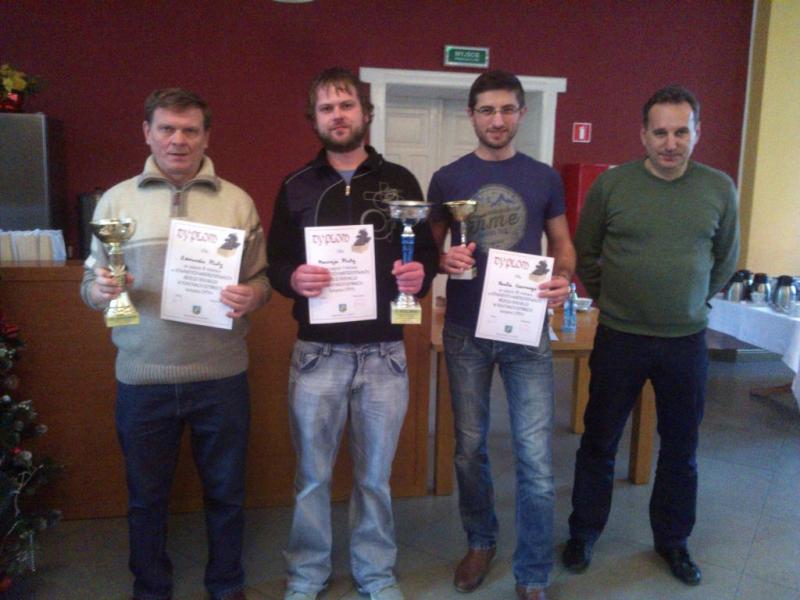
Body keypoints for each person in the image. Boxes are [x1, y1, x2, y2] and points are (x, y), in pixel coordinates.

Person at [80, 88, 270, 600]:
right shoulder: (115, 201)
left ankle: (226, 585)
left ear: (207, 136)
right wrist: (101, 291)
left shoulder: (237, 202)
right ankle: (151, 588)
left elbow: (262, 280)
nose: (178, 140)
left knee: (227, 495)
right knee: (146, 499)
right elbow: (90, 285)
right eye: (166, 128)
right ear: (147, 132)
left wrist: (252, 295)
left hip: (221, 377)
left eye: (190, 130)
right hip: (143, 378)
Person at [267, 67, 438, 600]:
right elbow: (276, 262)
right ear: (314, 119)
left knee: (374, 479)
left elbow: (426, 256)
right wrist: (293, 279)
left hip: (385, 354)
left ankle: (375, 573)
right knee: (312, 477)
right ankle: (307, 573)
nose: (337, 115)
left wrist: (420, 275)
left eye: (346, 105)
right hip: (317, 356)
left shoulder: (403, 182)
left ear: (366, 113)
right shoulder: (295, 185)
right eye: (326, 108)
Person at [563, 85, 739, 586]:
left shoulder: (719, 188)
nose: (670, 143)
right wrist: (609, 299)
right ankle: (584, 532)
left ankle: (673, 541)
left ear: (697, 133)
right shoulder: (613, 186)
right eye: (660, 132)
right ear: (643, 134)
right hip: (620, 336)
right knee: (599, 440)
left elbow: (725, 260)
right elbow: (586, 250)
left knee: (681, 448)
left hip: (686, 341)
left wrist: (690, 300)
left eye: (681, 132)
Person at [428, 70, 575, 600]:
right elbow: (432, 246)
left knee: (534, 455)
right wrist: (443, 259)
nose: (497, 120)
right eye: (487, 110)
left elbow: (562, 242)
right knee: (469, 449)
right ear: (472, 115)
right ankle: (481, 540)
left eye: (507, 109)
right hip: (466, 330)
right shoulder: (447, 178)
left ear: (522, 114)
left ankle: (532, 569)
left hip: (524, 328)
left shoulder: (544, 177)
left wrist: (564, 277)